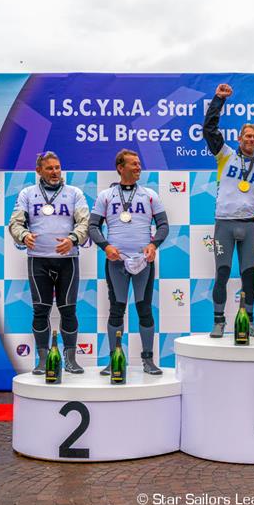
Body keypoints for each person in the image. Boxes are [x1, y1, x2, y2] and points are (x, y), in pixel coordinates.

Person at [202, 83, 254, 338]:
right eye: (248, 136)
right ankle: (219, 320)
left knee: (248, 276)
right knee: (221, 273)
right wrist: (218, 100)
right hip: (224, 224)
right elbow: (209, 129)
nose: (252, 140)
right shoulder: (225, 155)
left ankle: (248, 321)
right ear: (239, 138)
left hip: (248, 225)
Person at [9, 151, 90, 375]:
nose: (55, 172)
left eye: (57, 167)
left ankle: (71, 360)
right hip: (39, 261)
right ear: (39, 171)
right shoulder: (27, 193)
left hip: (67, 261)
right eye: (49, 168)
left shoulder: (75, 193)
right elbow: (15, 223)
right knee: (40, 311)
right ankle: (43, 360)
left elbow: (85, 222)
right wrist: (24, 235)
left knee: (68, 311)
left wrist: (73, 238)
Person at [89, 149, 168, 376]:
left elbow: (163, 225)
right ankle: (115, 359)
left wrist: (154, 245)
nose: (138, 167)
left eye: (139, 163)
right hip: (117, 262)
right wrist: (106, 246)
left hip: (144, 261)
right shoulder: (106, 195)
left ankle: (148, 360)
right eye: (133, 164)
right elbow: (93, 227)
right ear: (120, 167)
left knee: (144, 310)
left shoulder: (150, 195)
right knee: (116, 311)